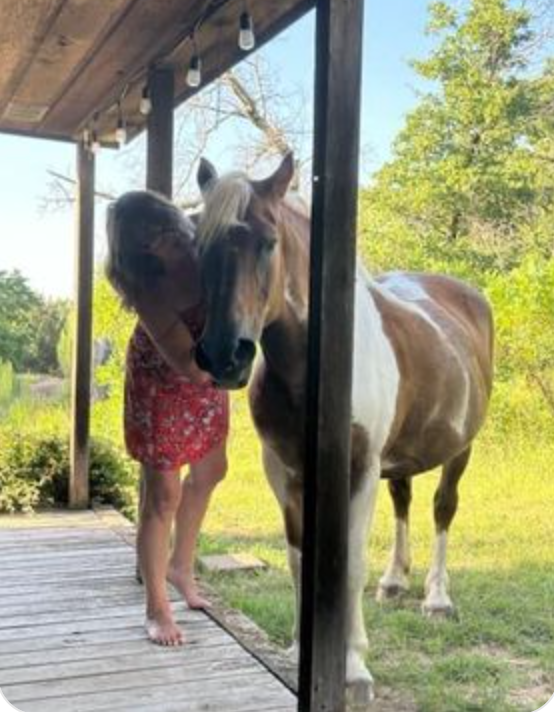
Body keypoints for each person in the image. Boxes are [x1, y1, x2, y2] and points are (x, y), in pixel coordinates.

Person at [106, 190, 229, 647]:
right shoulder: (145, 286)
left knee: (214, 468)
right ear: (137, 251)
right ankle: (156, 607)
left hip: (209, 372)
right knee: (163, 496)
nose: (169, 242)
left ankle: (181, 566)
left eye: (169, 229)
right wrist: (231, 364)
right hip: (164, 380)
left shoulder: (197, 234)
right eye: (153, 240)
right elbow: (187, 362)